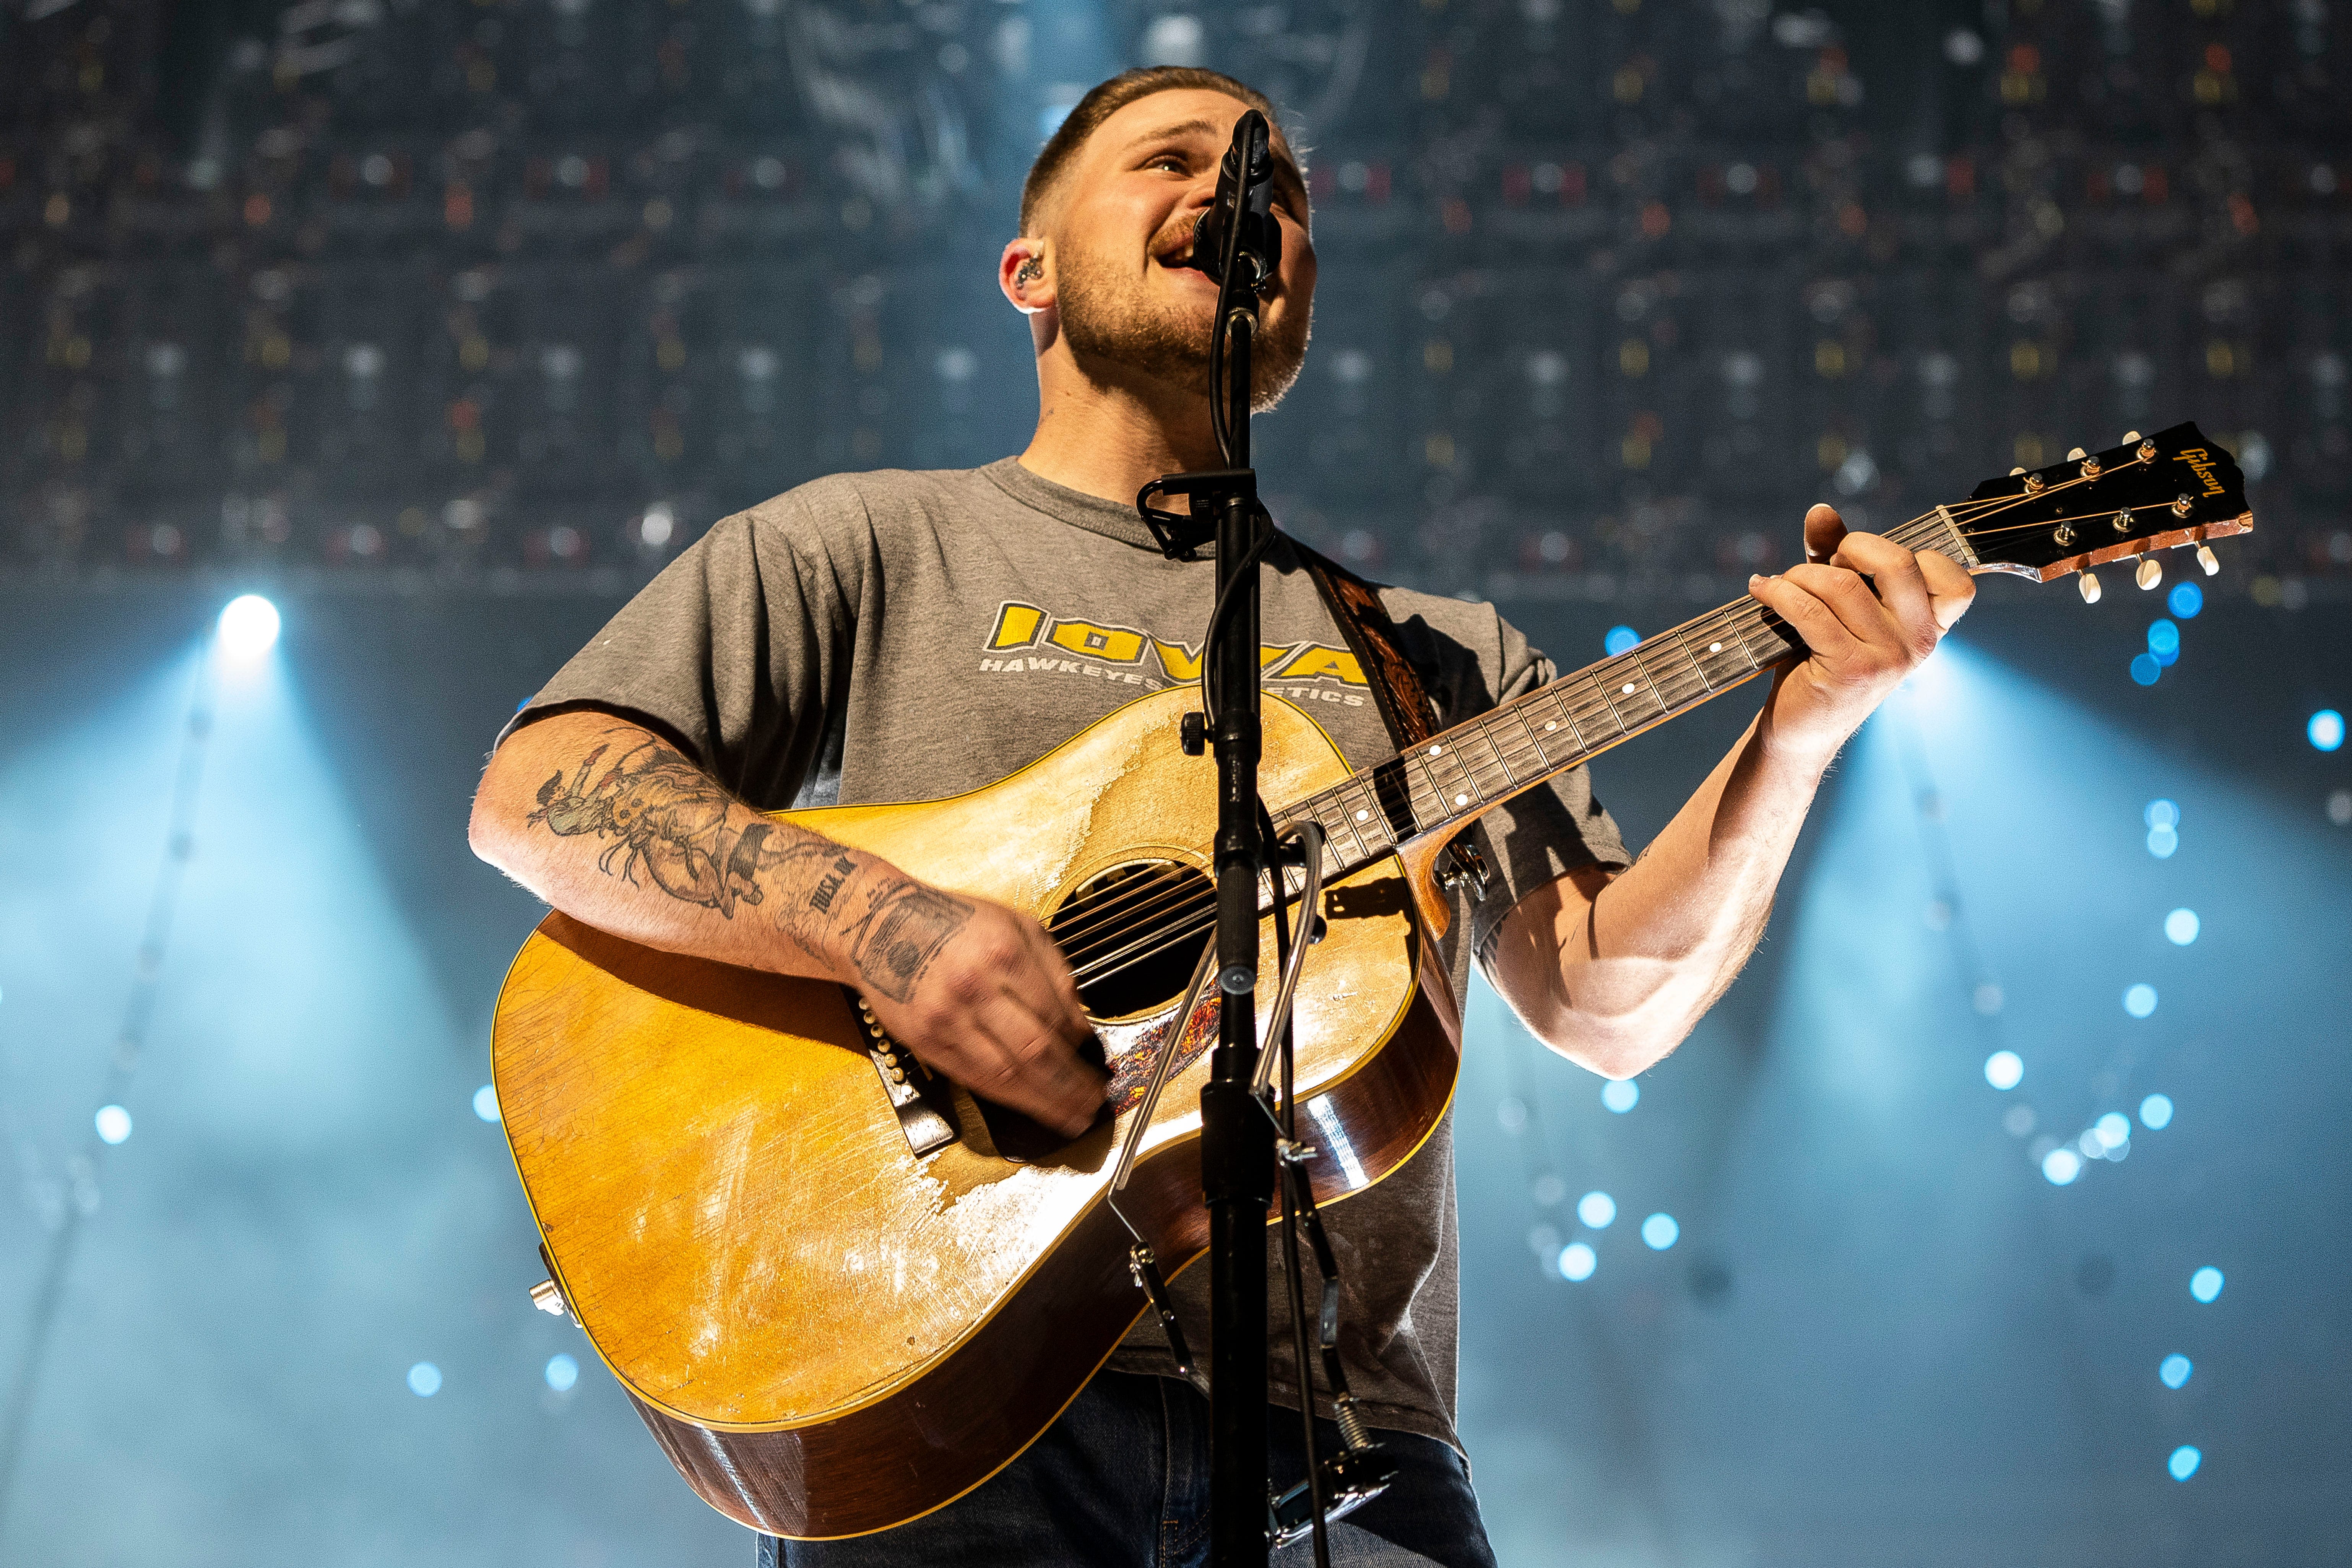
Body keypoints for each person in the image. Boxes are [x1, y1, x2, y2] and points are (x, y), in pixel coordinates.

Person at [468, 65, 1974, 1568]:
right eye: (1171, 159)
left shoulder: (1440, 653)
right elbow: (543, 793)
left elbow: (1603, 1001)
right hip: (952, 1408)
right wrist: (891, 929)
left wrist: (1801, 728)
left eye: (1281, 191)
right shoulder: (869, 545)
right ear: (1028, 270)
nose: (1235, 195)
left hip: (1347, 1438)